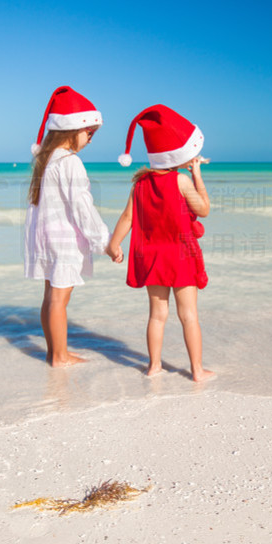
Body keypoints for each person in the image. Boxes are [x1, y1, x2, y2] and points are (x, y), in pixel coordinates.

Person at [107, 105, 215, 382]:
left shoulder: (140, 184)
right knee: (188, 315)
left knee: (157, 315)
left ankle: (154, 366)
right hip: (180, 255)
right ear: (178, 155)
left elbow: (128, 217)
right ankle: (197, 371)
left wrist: (114, 244)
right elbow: (203, 209)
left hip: (152, 256)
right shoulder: (181, 181)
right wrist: (197, 176)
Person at [25, 86, 118, 367]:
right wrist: (105, 241)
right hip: (63, 239)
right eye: (88, 133)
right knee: (59, 300)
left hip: (47, 238)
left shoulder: (47, 160)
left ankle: (54, 352)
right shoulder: (70, 162)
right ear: (71, 129)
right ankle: (60, 356)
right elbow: (82, 207)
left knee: (50, 296)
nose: (90, 140)